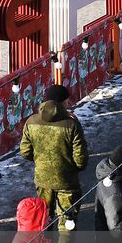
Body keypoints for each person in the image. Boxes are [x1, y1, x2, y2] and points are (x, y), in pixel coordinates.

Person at [18, 84, 90, 234]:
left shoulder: (31, 121)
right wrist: (73, 167)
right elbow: (80, 157)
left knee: (44, 217)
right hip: (67, 181)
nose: (69, 103)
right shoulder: (71, 124)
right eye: (67, 101)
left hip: (42, 179)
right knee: (67, 222)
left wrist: (40, 161)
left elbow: (25, 151)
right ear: (62, 102)